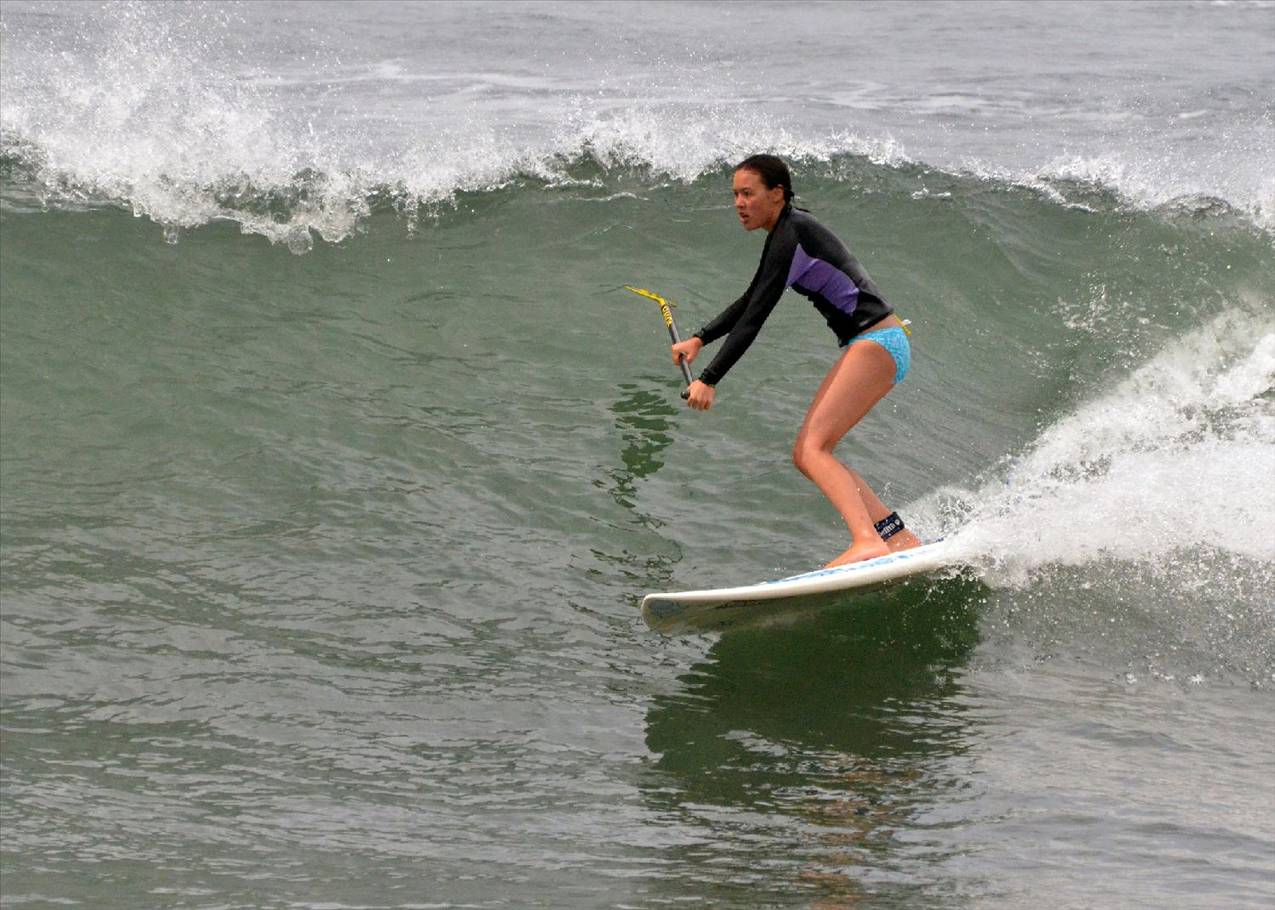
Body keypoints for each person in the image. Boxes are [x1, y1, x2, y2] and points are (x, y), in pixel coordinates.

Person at [671, 154, 923, 567]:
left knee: (812, 451)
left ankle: (867, 541)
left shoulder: (792, 235)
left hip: (876, 343)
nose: (739, 203)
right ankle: (895, 537)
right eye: (735, 195)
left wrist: (710, 378)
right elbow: (753, 297)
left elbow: (756, 317)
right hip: (878, 342)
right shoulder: (786, 233)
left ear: (777, 193)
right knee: (811, 453)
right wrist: (701, 338)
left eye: (748, 194)